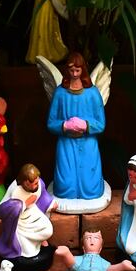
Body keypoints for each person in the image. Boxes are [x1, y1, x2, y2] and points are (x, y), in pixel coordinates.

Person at [46, 52, 107, 206]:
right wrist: (64, 125)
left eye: (77, 70)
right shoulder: (60, 93)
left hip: (87, 145)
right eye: (71, 70)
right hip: (66, 144)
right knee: (65, 186)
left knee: (90, 186)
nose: (74, 74)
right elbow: (51, 123)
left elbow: (101, 123)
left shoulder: (92, 93)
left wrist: (86, 125)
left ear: (83, 70)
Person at [0, 163, 57, 271]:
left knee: (48, 230)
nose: (35, 186)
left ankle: (38, 241)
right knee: (29, 252)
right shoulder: (15, 190)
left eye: (36, 182)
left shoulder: (39, 184)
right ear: (24, 182)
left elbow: (43, 195)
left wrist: (51, 204)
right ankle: (30, 245)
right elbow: (4, 209)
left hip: (34, 212)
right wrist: (24, 204)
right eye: (31, 184)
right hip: (19, 222)